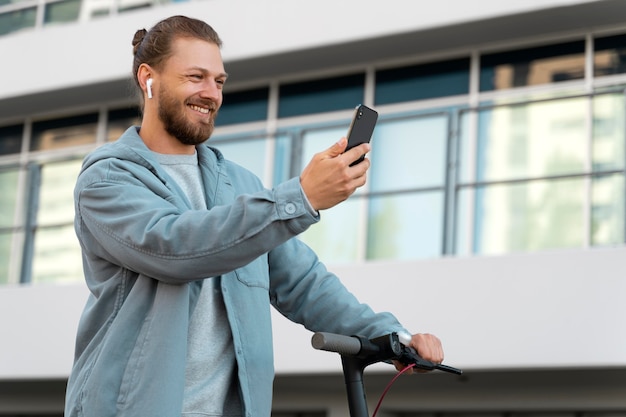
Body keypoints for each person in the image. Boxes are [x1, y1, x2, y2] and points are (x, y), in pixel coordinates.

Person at [64, 15, 444, 417]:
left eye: (219, 81)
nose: (211, 94)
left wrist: (391, 337)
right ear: (148, 79)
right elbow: (177, 248)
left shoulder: (239, 183)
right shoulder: (107, 178)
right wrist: (301, 197)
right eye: (196, 77)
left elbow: (303, 282)